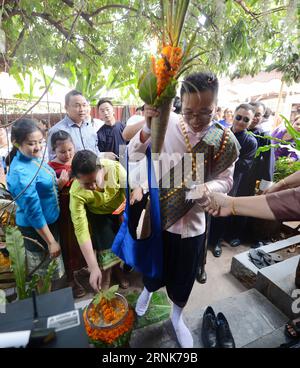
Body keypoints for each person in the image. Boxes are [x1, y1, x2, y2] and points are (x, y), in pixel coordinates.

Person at [127, 71, 240, 348]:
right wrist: (147, 125)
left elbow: (226, 180)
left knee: (183, 276)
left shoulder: (223, 139)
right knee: (154, 266)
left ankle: (177, 318)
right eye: (189, 111)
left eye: (205, 112)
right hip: (160, 216)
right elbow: (132, 154)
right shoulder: (167, 124)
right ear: (179, 103)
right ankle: (148, 292)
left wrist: (208, 189)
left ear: (216, 105)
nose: (196, 120)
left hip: (194, 223)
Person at [6, 119, 65, 281]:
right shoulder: (20, 172)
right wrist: (51, 241)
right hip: (37, 229)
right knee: (44, 277)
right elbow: (33, 211)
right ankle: (46, 303)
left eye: (40, 142)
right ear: (16, 143)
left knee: (53, 270)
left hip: (49, 223)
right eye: (32, 143)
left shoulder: (33, 158)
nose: (38, 147)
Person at [69, 150, 132, 291]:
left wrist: (124, 213)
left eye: (94, 181)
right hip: (98, 214)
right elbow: (81, 229)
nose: (92, 187)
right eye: (86, 184)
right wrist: (92, 267)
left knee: (121, 242)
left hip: (120, 210)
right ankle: (106, 273)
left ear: (101, 170)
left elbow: (130, 193)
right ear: (75, 179)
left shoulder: (115, 169)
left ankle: (118, 270)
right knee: (105, 245)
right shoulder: (76, 193)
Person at [210, 103, 258, 257]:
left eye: (246, 119)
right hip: (210, 179)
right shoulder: (220, 132)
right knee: (206, 209)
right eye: (239, 117)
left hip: (231, 182)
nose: (241, 121)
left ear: (250, 122)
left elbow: (245, 165)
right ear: (233, 116)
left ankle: (216, 242)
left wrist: (226, 159)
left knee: (221, 212)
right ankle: (205, 240)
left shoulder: (251, 142)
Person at [48, 130, 87, 298]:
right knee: (68, 245)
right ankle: (71, 279)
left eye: (70, 149)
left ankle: (84, 267)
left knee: (83, 240)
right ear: (53, 151)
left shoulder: (77, 162)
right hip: (64, 215)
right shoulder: (49, 168)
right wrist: (59, 185)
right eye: (62, 152)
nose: (67, 154)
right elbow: (47, 195)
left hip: (82, 210)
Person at [47, 90, 100, 160]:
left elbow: (95, 149)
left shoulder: (89, 126)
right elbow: (53, 159)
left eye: (84, 105)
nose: (82, 109)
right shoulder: (57, 130)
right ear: (66, 108)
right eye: (77, 106)